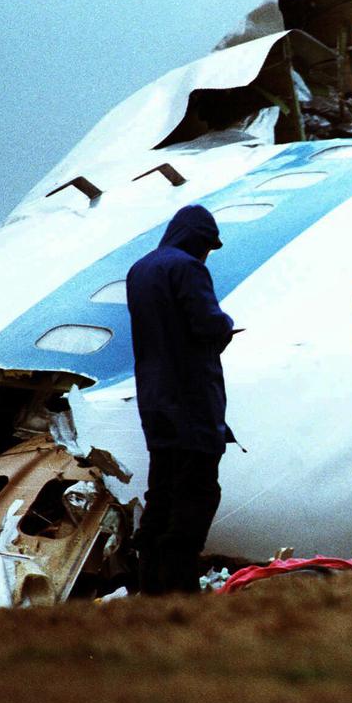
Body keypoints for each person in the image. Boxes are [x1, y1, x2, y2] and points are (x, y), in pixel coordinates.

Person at [127, 204, 235, 595]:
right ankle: (179, 586)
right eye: (207, 245)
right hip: (190, 398)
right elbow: (207, 323)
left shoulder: (139, 269)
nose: (207, 253)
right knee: (198, 492)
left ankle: (150, 584)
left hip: (153, 399)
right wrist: (225, 325)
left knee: (162, 491)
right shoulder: (188, 268)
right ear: (197, 240)